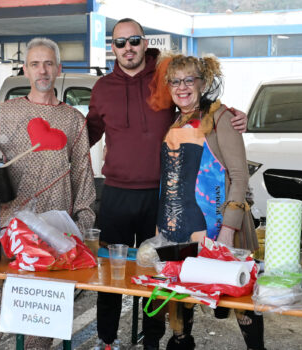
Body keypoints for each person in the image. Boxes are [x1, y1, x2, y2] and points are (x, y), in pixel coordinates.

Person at [87, 18, 248, 350]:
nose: (127, 48)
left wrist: (230, 114)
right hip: (116, 192)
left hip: (163, 199)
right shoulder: (102, 87)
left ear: (145, 43)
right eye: (119, 43)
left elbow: (195, 103)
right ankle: (106, 339)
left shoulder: (163, 77)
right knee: (109, 273)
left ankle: (153, 340)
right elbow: (87, 133)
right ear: (112, 48)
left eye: (134, 41)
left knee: (160, 274)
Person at [0, 37, 95, 350]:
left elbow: (83, 176)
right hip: (6, 228)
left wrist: (82, 226)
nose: (42, 70)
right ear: (26, 69)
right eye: (36, 64)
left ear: (58, 69)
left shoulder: (73, 121)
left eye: (49, 63)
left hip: (52, 234)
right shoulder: (4, 113)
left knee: (41, 317)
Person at [148, 53, 264, 350]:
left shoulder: (222, 118)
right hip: (182, 229)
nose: (182, 87)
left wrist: (228, 228)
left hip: (223, 228)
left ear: (203, 83)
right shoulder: (176, 120)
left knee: (240, 300)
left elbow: (239, 177)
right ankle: (182, 342)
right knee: (181, 300)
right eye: (175, 81)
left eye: (189, 80)